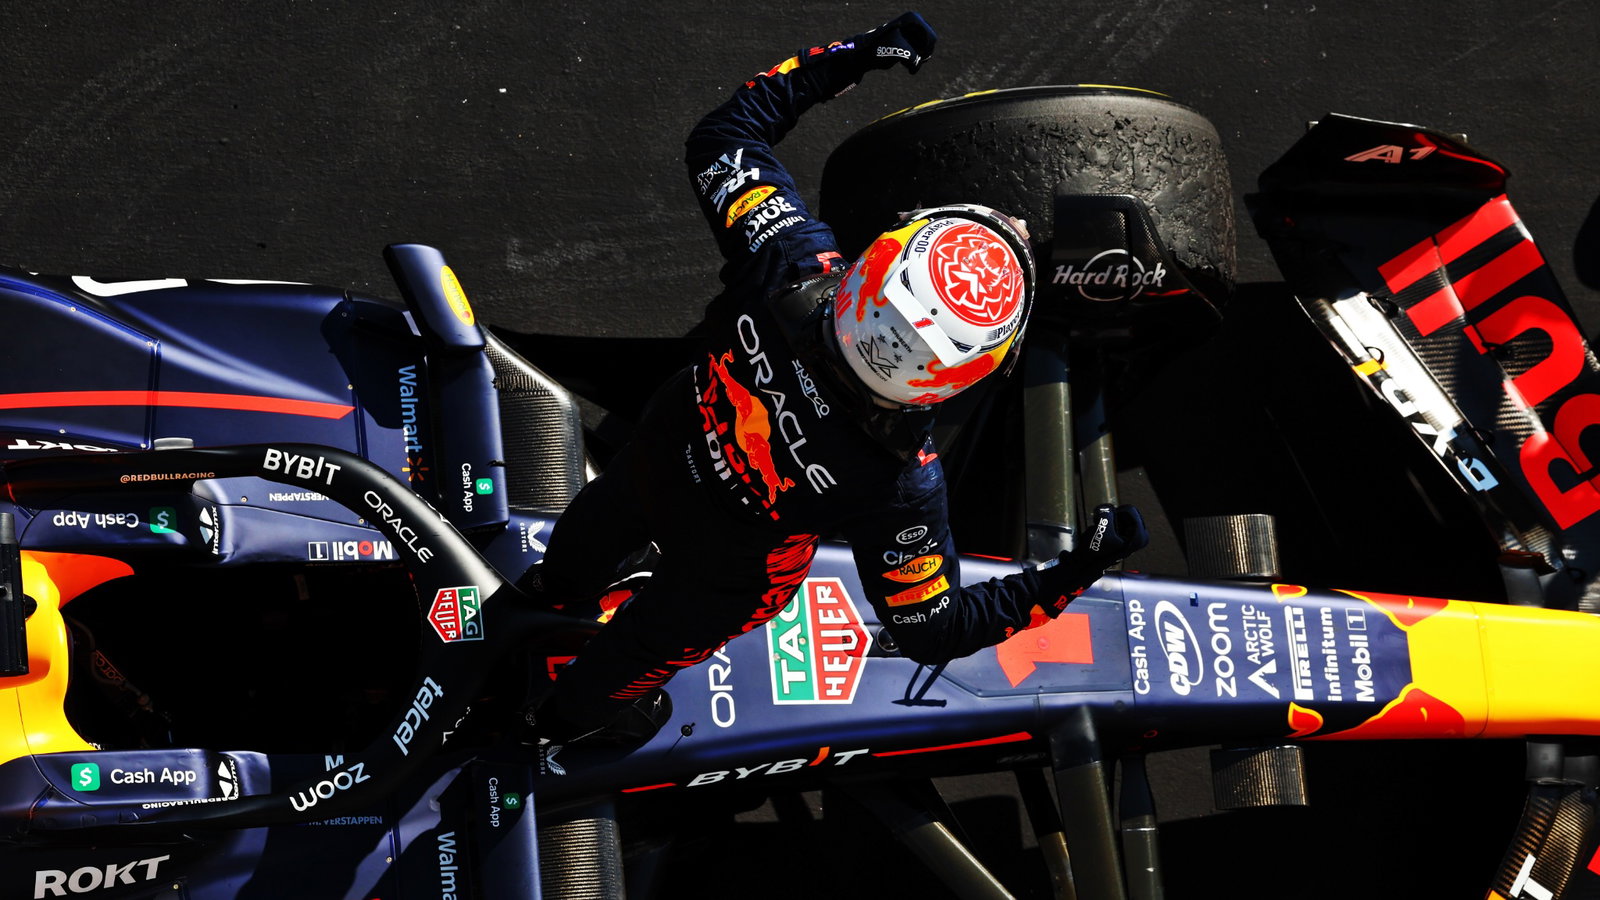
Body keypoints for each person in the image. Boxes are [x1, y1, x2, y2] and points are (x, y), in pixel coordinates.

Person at [527, 12, 1147, 747]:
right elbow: (932, 629)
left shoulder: (787, 260)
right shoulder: (900, 484)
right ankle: (558, 725)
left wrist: (855, 56)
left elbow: (726, 135)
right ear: (968, 370)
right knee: (632, 663)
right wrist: (1082, 566)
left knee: (590, 539)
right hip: (726, 577)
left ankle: (553, 592)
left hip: (661, 455)